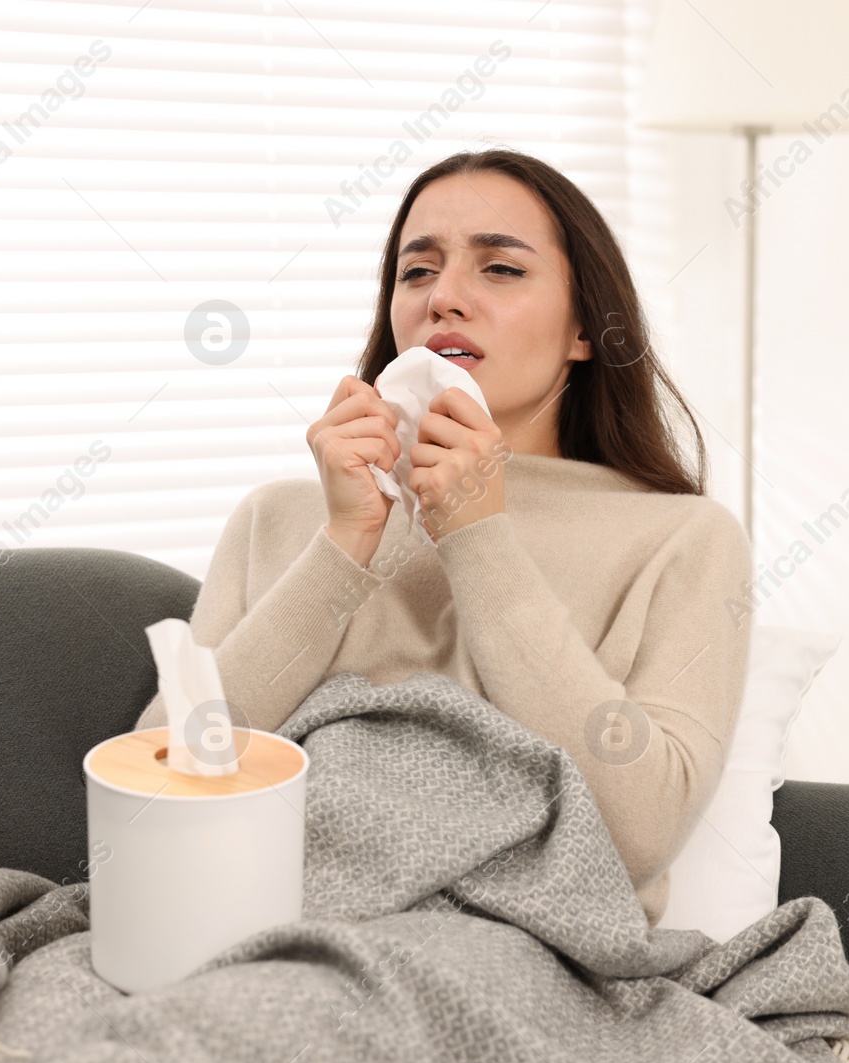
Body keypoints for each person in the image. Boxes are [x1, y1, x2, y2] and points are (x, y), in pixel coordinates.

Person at [138, 147, 753, 927]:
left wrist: (477, 535)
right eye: (417, 272)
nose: (445, 299)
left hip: (512, 950)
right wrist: (345, 544)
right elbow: (155, 788)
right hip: (254, 918)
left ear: (586, 331)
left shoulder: (684, 539)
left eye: (500, 269)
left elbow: (636, 835)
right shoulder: (282, 519)